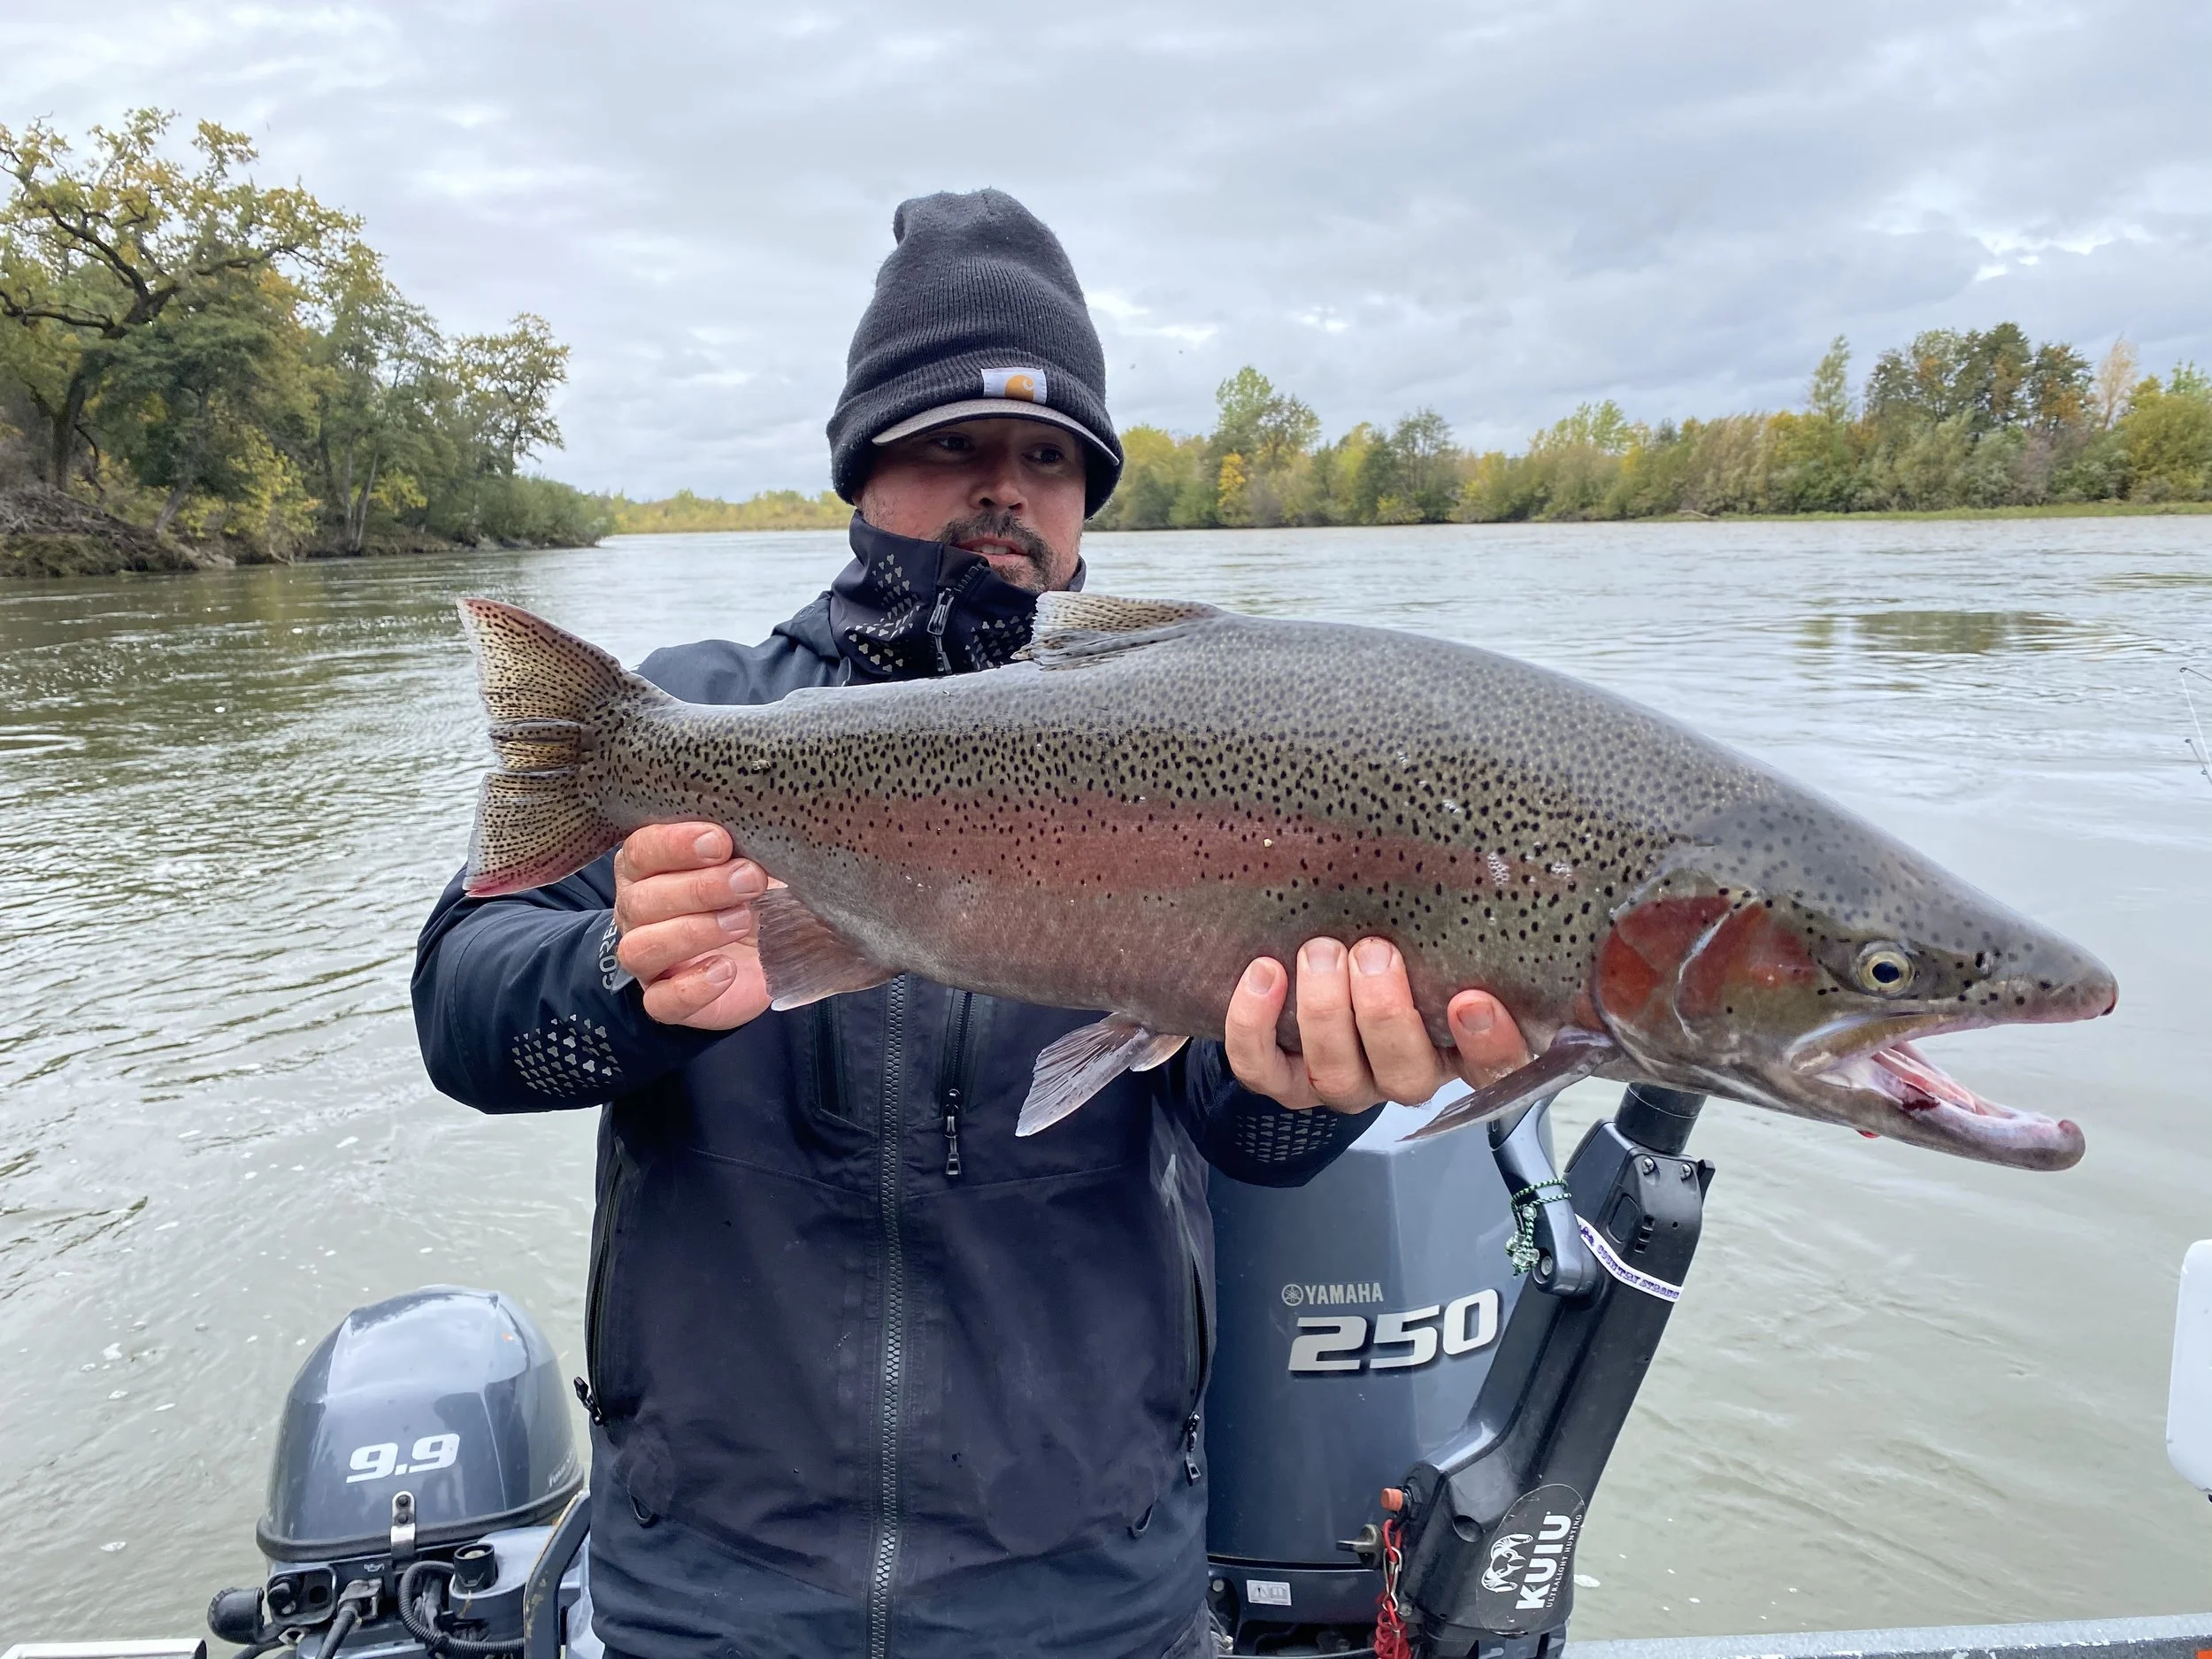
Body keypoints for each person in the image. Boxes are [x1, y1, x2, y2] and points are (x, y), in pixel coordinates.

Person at [412, 189, 1530, 1659]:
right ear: (862, 467)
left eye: (1052, 460)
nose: (1007, 487)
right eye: (955, 444)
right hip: (713, 1588)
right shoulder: (698, 722)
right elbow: (463, 1015)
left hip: (1085, 1589)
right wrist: (627, 974)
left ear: (1086, 504)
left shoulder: (1205, 748)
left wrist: (1309, 1091)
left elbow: (1230, 1127)